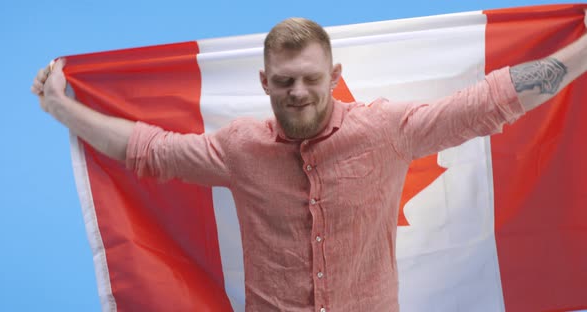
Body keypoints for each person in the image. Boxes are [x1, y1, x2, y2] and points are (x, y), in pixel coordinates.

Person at [32, 17, 586, 312]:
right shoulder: (239, 148)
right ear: (264, 83)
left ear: (332, 73)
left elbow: (489, 103)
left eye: (311, 78)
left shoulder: (386, 131)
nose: (298, 92)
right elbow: (148, 150)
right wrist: (60, 106)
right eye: (284, 80)